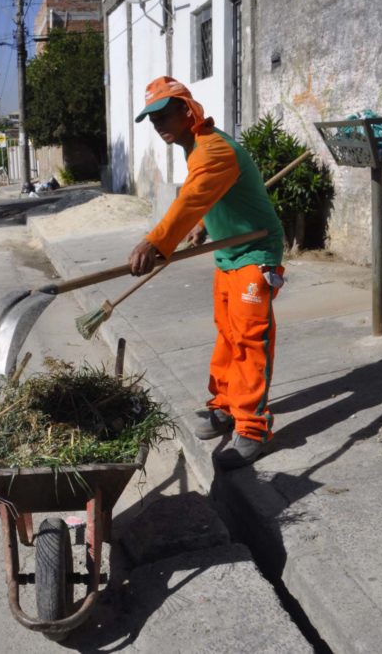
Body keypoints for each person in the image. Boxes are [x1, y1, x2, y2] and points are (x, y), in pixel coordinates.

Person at [127, 76, 285, 469]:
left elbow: (191, 198)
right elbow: (210, 198)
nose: (158, 124)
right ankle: (226, 405)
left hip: (255, 251)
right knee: (228, 333)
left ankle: (252, 427)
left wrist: (155, 243)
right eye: (151, 118)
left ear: (186, 109)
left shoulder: (212, 148)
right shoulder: (195, 146)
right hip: (229, 251)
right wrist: (204, 226)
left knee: (250, 337)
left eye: (164, 114)